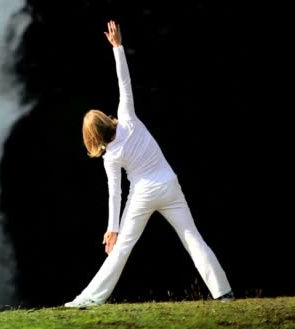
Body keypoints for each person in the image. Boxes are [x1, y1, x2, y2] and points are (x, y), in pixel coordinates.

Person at [64, 20, 234, 308]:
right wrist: (117, 47)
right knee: (193, 238)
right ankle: (224, 293)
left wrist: (112, 228)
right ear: (107, 119)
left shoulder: (110, 157)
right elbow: (124, 83)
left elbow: (114, 193)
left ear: (93, 138)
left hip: (143, 194)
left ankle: (90, 298)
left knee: (121, 249)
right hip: (169, 184)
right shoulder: (128, 117)